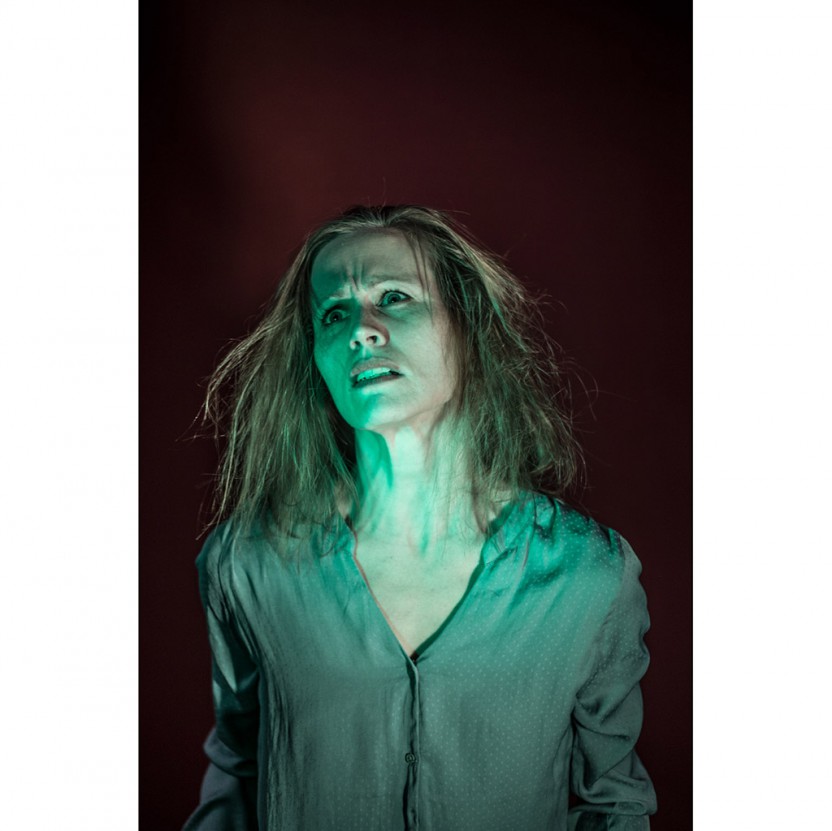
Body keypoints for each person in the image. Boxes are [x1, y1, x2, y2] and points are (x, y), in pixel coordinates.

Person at [183, 205, 657, 830]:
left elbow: (613, 804)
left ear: (467, 324)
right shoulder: (248, 564)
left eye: (394, 298)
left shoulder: (588, 575)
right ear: (315, 358)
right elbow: (238, 772)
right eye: (334, 314)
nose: (361, 330)